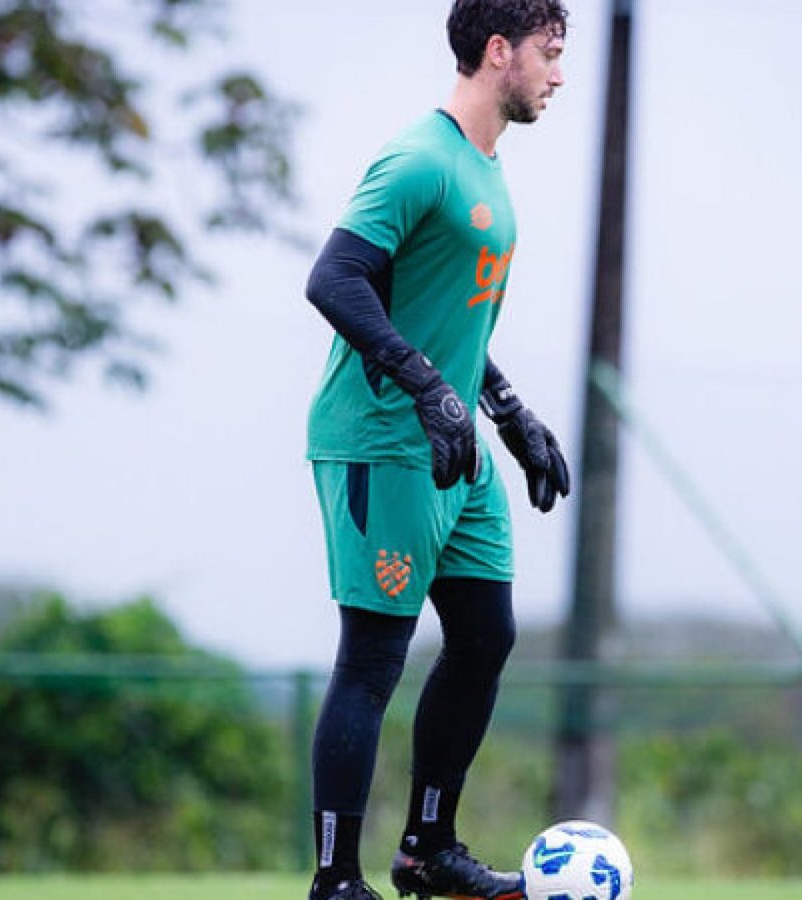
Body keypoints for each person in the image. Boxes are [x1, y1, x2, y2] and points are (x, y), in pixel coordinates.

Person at [301, 2, 571, 899]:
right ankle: (336, 879)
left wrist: (507, 411)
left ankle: (427, 849)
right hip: (383, 441)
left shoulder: (487, 170)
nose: (557, 76)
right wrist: (422, 387)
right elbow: (335, 278)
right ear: (500, 52)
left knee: (486, 635)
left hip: (454, 448)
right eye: (548, 54)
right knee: (374, 658)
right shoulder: (420, 160)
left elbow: (446, 315)